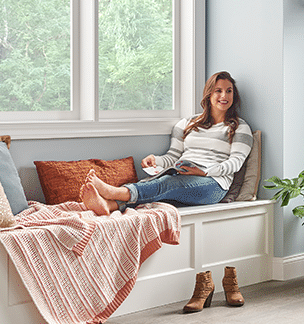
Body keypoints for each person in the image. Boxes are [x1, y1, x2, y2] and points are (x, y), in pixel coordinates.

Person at [80, 71, 254, 216]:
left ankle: (114, 192)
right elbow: (173, 156)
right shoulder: (188, 123)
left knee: (169, 183)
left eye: (229, 91)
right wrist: (156, 160)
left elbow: (235, 163)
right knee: (161, 186)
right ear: (209, 94)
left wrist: (204, 172)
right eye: (218, 91)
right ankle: (110, 206)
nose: (224, 96)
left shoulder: (239, 127)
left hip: (214, 185)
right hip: (183, 175)